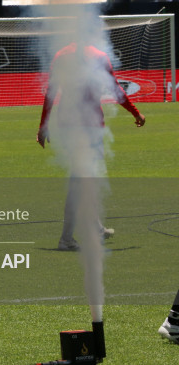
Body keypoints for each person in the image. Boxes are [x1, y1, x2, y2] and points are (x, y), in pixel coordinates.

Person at [37, 41, 145, 251]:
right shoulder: (98, 56)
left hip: (68, 125)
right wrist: (135, 112)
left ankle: (96, 228)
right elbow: (115, 90)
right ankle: (66, 239)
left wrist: (43, 125)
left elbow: (51, 91)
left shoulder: (61, 54)